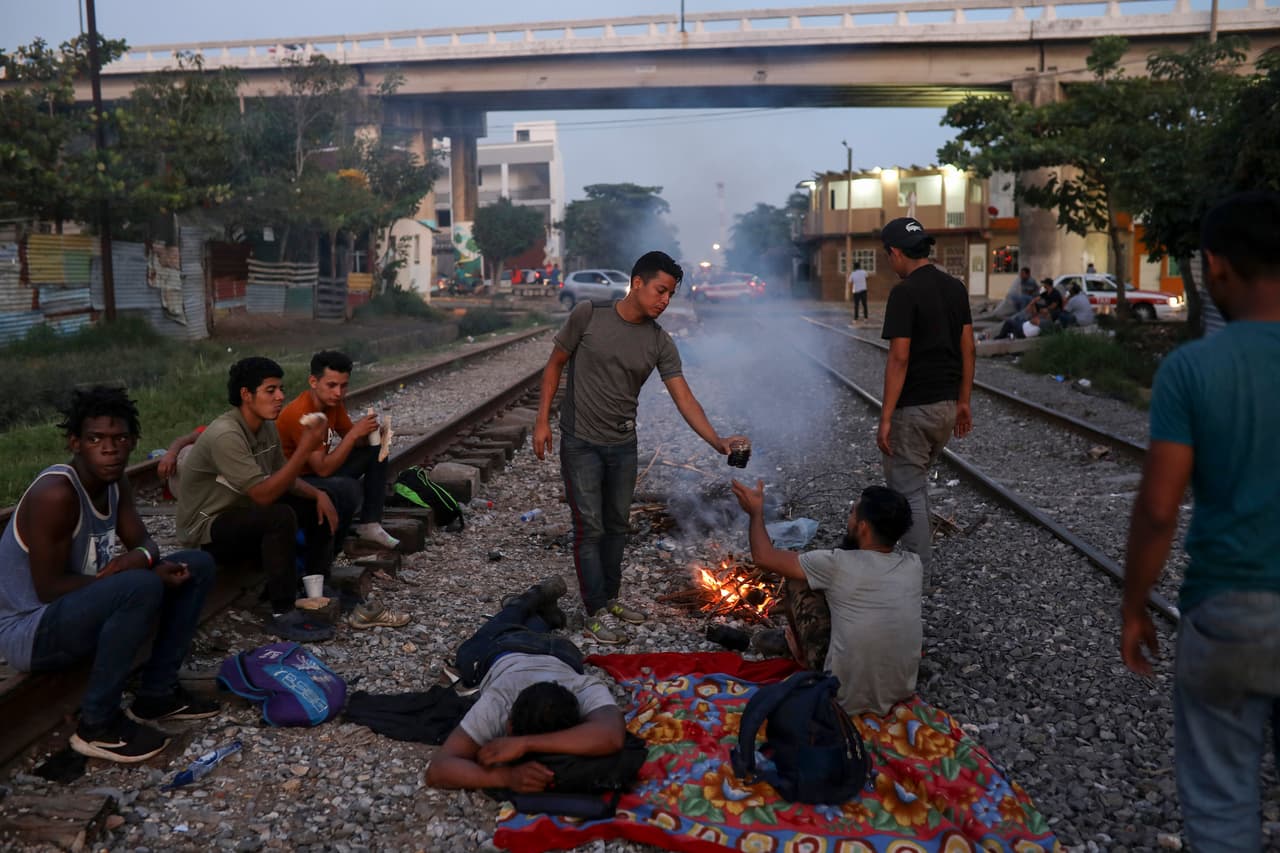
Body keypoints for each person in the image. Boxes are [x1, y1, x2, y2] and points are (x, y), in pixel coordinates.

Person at [1121, 191, 1280, 851]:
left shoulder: (1192, 368)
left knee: (1221, 806)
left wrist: (1135, 605)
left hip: (1228, 611)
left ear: (1214, 266)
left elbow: (1160, 507)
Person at [532, 250, 749, 645]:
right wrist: (542, 420)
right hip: (580, 441)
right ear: (637, 283)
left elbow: (685, 398)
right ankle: (594, 611)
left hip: (622, 444)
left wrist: (717, 441)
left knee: (617, 526)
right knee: (590, 527)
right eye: (660, 291)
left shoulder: (660, 342)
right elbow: (554, 364)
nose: (665, 301)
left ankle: (609, 599)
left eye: (670, 294)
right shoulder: (588, 315)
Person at [0, 387, 219, 763]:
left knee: (195, 566)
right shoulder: (57, 494)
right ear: (76, 443)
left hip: (72, 609)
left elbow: (145, 544)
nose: (110, 449)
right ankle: (97, 726)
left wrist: (139, 560)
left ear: (133, 442)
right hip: (29, 628)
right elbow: (48, 588)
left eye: (120, 439)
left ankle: (156, 696)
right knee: (140, 585)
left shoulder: (116, 483)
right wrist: (126, 574)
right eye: (95, 439)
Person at [176, 357, 339, 642]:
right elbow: (263, 495)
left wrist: (318, 494)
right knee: (279, 516)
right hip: (205, 529)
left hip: (239, 514)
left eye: (281, 389)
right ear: (246, 395)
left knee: (315, 501)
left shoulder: (265, 427)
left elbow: (282, 475)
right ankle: (282, 612)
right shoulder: (226, 434)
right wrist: (303, 450)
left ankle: (316, 584)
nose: (280, 397)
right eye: (271, 390)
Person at [732, 480, 922, 715]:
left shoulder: (837, 564)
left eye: (852, 512)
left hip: (841, 696)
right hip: (901, 690)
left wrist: (756, 512)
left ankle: (802, 655)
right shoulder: (914, 566)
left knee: (798, 579)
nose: (849, 518)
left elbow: (764, 556)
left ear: (863, 527)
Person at [425, 577, 626, 792]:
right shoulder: (580, 688)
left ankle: (540, 612)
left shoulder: (500, 700)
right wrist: (508, 774)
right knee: (480, 643)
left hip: (555, 651)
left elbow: (439, 768)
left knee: (498, 633)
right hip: (532, 650)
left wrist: (516, 759)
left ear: (509, 722)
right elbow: (610, 735)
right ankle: (529, 601)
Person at [878, 217, 975, 578]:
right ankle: (916, 566)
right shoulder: (955, 288)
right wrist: (963, 401)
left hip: (915, 409)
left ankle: (917, 577)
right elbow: (968, 348)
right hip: (947, 408)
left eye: (889, 255)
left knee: (907, 493)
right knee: (917, 484)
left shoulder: (904, 293)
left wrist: (886, 417)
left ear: (897, 252)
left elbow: (899, 358)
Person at [277, 350, 399, 551]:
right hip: (298, 481)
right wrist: (353, 435)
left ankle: (370, 524)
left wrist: (372, 434)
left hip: (318, 472)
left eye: (343, 386)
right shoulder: (302, 414)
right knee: (348, 487)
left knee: (378, 447)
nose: (338, 393)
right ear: (313, 382)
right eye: (331, 385)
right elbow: (322, 470)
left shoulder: (332, 404)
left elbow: (354, 442)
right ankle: (331, 547)